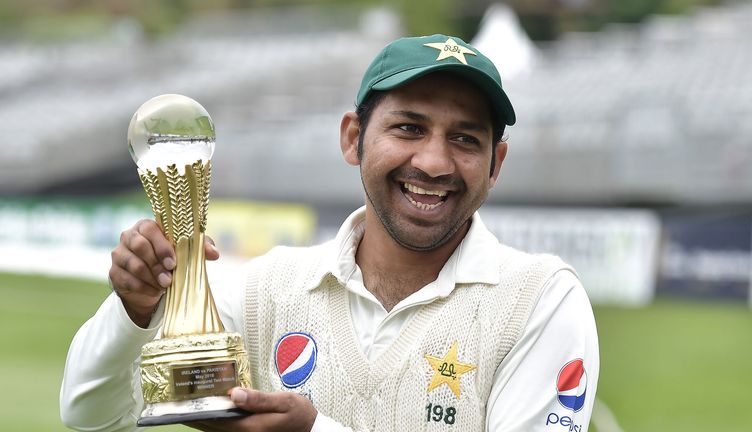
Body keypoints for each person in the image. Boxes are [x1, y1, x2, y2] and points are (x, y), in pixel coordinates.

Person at [61, 34, 598, 432]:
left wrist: (314, 430)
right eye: (408, 127)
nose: (435, 162)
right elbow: (90, 415)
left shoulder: (538, 298)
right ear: (352, 139)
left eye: (465, 139)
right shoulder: (267, 287)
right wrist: (133, 311)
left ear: (495, 163)